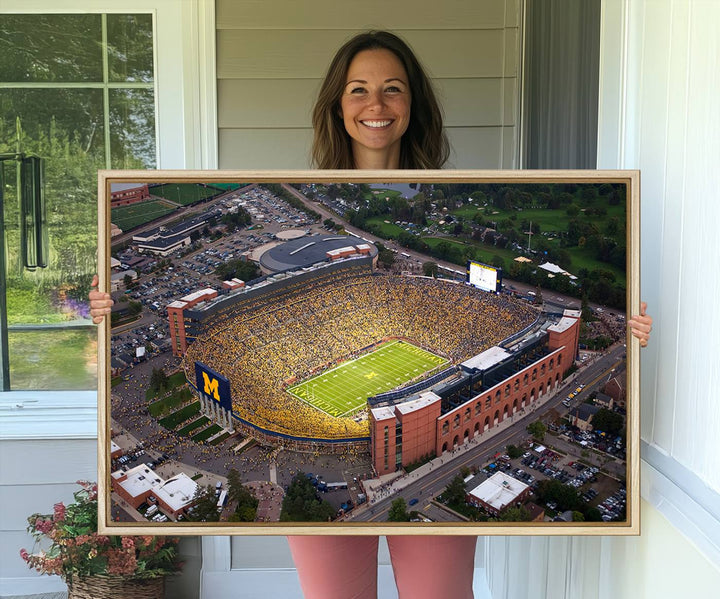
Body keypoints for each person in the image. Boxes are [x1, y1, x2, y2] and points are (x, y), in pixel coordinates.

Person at [89, 30, 653, 599]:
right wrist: (101, 309)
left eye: (393, 89)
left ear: (414, 104)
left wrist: (631, 329)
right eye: (358, 89)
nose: (376, 105)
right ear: (337, 104)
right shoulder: (295, 176)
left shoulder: (471, 177)